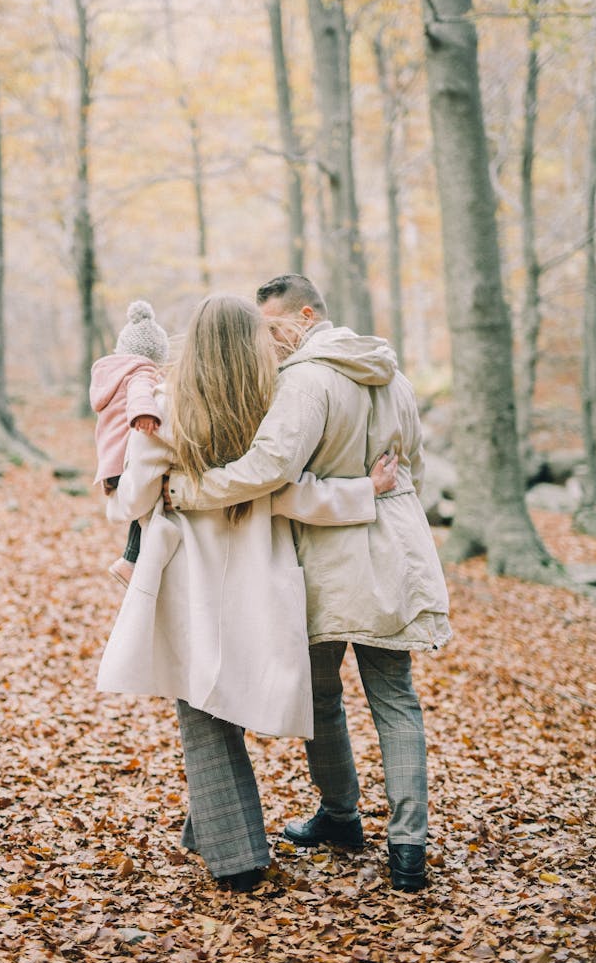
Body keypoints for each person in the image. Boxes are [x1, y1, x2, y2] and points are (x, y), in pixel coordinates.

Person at [96, 294, 397, 893]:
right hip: (262, 580)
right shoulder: (272, 409)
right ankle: (213, 828)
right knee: (215, 698)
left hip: (190, 584)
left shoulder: (165, 411)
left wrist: (140, 475)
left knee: (203, 708)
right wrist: (365, 490)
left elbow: (130, 503)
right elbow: (296, 493)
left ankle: (237, 858)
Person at [167, 274, 452, 893]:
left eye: (272, 330)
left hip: (331, 564)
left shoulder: (306, 380)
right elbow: (417, 471)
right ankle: (409, 848)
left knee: (324, 697)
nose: (268, 345)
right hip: (401, 557)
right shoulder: (393, 375)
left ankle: (342, 817)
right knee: (397, 701)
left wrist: (190, 490)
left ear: (302, 316)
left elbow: (270, 472)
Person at [90, 300, 169, 587]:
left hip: (109, 461)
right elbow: (139, 394)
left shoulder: (108, 375)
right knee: (147, 511)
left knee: (142, 514)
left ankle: (133, 560)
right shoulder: (141, 373)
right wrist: (144, 413)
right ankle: (130, 561)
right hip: (126, 459)